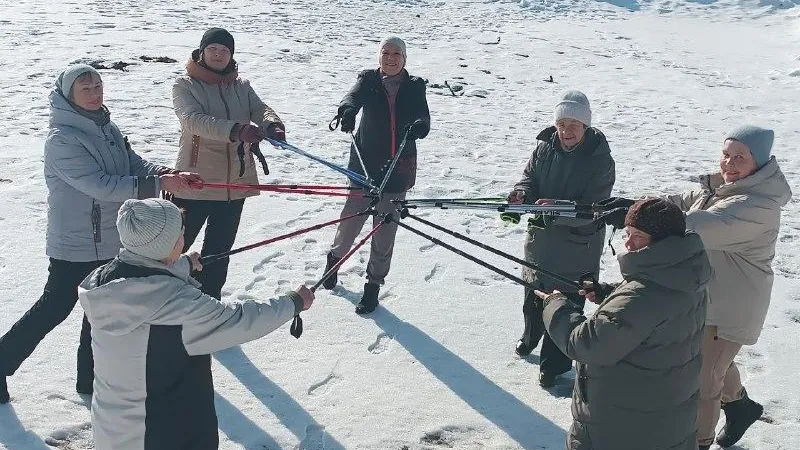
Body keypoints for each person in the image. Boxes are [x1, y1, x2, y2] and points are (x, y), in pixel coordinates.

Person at [0, 65, 200, 403]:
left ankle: (90, 382)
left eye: (98, 85)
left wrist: (168, 174)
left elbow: (132, 164)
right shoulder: (62, 140)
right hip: (74, 245)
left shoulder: (105, 126)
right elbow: (101, 186)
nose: (95, 93)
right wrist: (160, 185)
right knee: (54, 310)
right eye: (85, 88)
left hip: (111, 238)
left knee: (101, 312)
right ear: (69, 95)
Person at [601, 125, 792, 449]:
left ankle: (698, 441)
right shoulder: (724, 187)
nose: (729, 164)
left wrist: (640, 221)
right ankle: (740, 407)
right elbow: (679, 205)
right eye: (726, 154)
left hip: (731, 307)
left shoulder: (758, 205)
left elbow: (699, 226)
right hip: (709, 295)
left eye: (739, 157)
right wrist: (640, 206)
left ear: (759, 162)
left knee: (704, 379)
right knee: (715, 363)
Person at [78, 198, 314, 450]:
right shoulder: (178, 305)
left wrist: (182, 264)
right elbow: (241, 320)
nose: (184, 236)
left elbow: (145, 273)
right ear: (167, 245)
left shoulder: (104, 280)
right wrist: (294, 302)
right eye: (181, 233)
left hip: (113, 429)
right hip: (162, 434)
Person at [539, 198, 712, 450]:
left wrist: (556, 305)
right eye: (627, 233)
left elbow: (586, 344)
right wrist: (610, 294)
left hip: (620, 429)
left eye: (638, 236)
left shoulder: (642, 295)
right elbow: (650, 314)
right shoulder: (685, 275)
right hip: (666, 421)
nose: (629, 243)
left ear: (663, 242)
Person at [506, 90, 615, 387]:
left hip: (576, 249)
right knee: (533, 300)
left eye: (574, 126)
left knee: (564, 310)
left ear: (586, 127)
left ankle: (554, 366)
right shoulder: (544, 148)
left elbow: (594, 209)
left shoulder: (600, 160)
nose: (566, 132)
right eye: (562, 124)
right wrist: (521, 194)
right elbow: (529, 177)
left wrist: (555, 211)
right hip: (540, 244)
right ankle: (530, 338)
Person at [172, 27, 286, 300]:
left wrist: (272, 123)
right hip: (196, 181)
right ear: (202, 51)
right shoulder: (184, 85)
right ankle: (160, 300)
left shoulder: (241, 87)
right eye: (213, 49)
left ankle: (211, 305)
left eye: (225, 50)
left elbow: (260, 108)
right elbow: (192, 120)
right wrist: (235, 131)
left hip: (236, 181)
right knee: (173, 248)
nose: (219, 54)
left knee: (219, 251)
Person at [321, 36, 430, 314]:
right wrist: (347, 111)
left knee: (384, 232)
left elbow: (422, 115)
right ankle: (334, 259)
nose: (391, 58)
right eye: (386, 53)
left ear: (404, 59)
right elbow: (353, 97)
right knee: (350, 225)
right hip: (364, 166)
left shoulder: (414, 86)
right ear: (379, 56)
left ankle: (373, 287)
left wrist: (419, 126)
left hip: (397, 169)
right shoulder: (369, 79)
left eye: (397, 53)